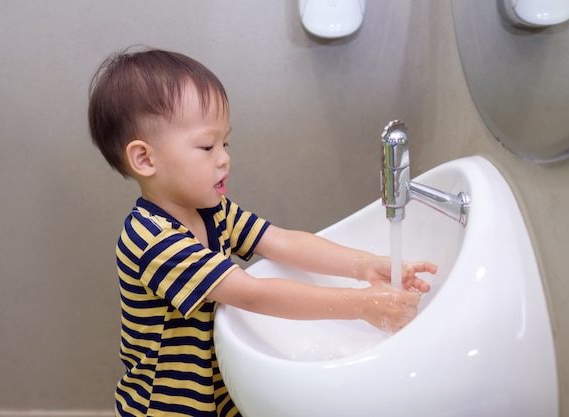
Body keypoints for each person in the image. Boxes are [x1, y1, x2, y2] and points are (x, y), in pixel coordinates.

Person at [88, 47, 437, 417]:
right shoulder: (151, 239)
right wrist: (360, 305)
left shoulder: (212, 210)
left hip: (218, 390)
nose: (224, 157)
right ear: (145, 159)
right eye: (207, 146)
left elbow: (281, 241)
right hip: (167, 407)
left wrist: (367, 265)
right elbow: (251, 294)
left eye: (225, 143)